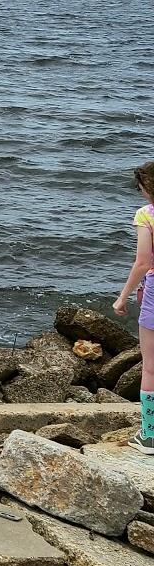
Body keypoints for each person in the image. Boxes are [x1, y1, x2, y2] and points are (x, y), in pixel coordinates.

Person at [115, 161, 154, 454]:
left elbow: (142, 262)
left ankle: (149, 436)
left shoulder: (146, 215)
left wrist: (123, 296)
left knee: (151, 368)